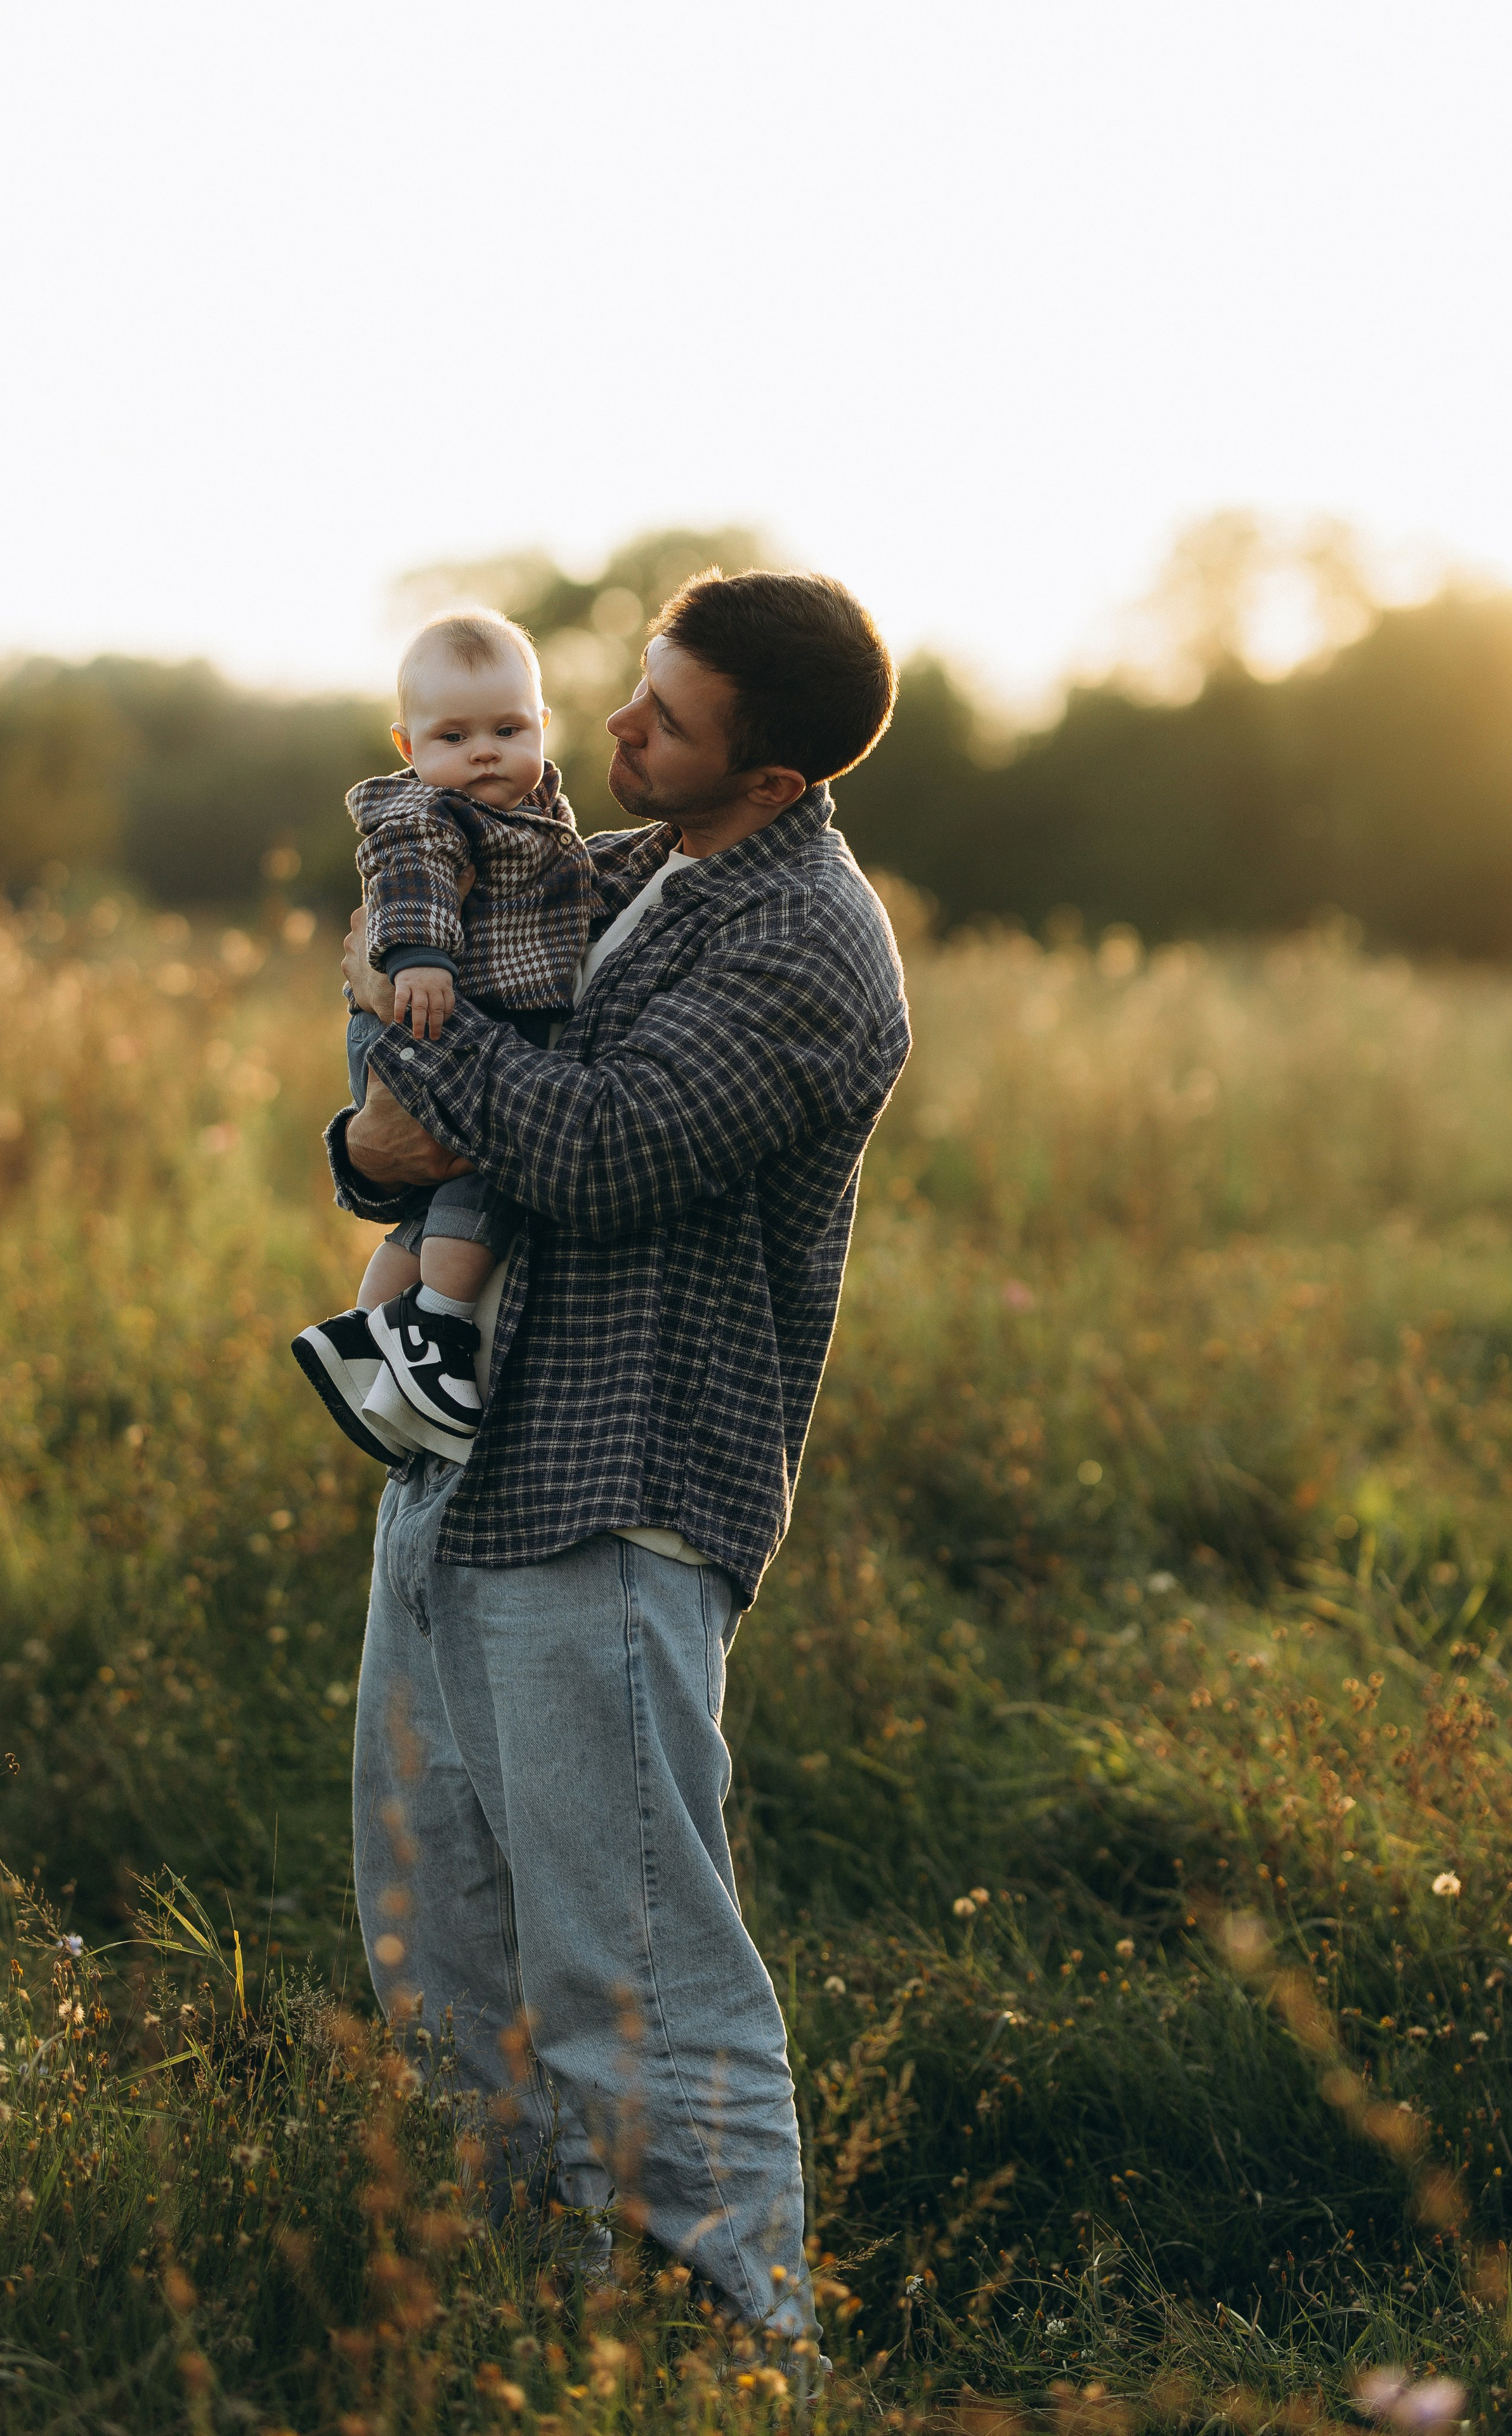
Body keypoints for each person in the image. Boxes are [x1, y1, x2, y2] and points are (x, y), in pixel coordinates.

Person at [329, 568, 910, 2362]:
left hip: (621, 1492)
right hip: (463, 1471)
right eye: (637, 685)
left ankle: (734, 2365)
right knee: (452, 1965)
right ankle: (536, 2335)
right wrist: (372, 1118)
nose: (614, 726)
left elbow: (596, 1145)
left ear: (778, 775)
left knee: (637, 1979)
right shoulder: (638, 872)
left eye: (667, 715)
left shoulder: (805, 944)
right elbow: (407, 1141)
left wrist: (401, 1016)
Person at [293, 607, 592, 1459]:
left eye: (509, 728)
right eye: (454, 735)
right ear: (408, 747)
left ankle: (364, 1334)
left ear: (543, 727)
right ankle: (440, 1325)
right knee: (497, 1162)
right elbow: (413, 878)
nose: (485, 752)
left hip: (445, 1022)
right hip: (425, 1013)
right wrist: (420, 957)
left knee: (428, 1208)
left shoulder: (540, 815)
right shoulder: (428, 813)